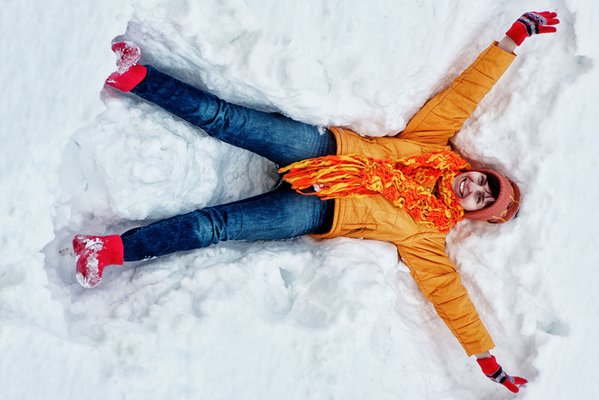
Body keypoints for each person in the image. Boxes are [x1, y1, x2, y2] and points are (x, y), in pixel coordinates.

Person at [73, 11, 559, 393]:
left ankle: (109, 251)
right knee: (226, 119)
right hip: (327, 150)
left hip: (318, 212)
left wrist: (487, 359)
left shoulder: (427, 236)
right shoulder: (433, 145)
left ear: (474, 213)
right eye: (483, 182)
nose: (474, 188)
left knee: (215, 228)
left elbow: (452, 299)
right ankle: (136, 76)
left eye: (481, 200)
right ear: (480, 169)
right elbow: (464, 96)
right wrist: (514, 38)